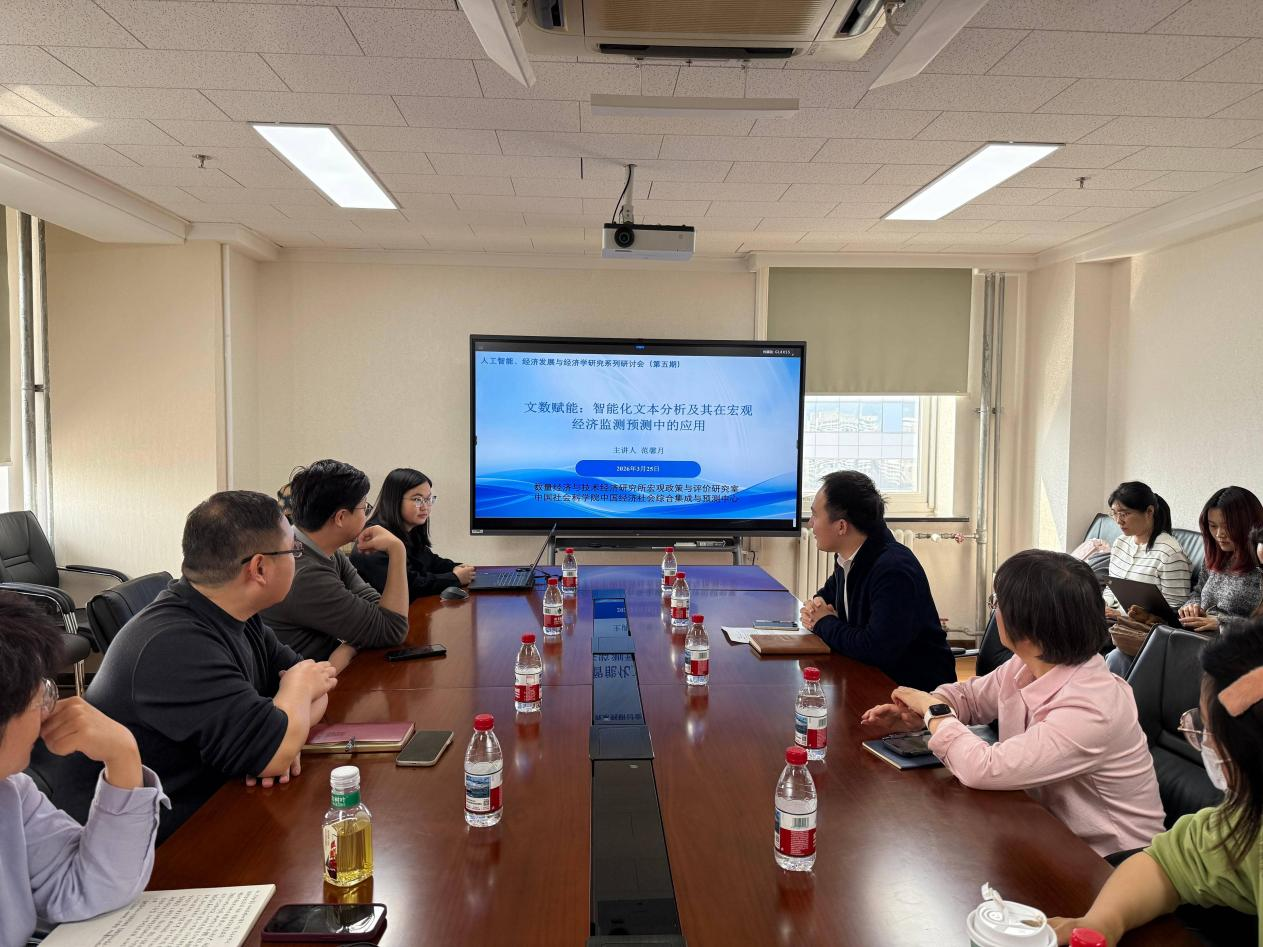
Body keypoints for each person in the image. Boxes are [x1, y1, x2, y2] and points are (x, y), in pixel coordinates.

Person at [861, 549, 1165, 858]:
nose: (995, 612)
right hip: (1046, 831)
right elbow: (971, 698)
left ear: (1028, 628)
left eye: (997, 603)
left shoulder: (1093, 708)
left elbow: (984, 768)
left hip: (1113, 862)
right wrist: (923, 711)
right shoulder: (1029, 662)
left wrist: (935, 713)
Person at [83, 491, 338, 842]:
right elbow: (279, 742)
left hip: (216, 805)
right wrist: (292, 702)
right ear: (259, 568)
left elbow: (320, 685)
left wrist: (286, 732)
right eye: (293, 550)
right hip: (155, 845)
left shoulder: (236, 613)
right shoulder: (174, 645)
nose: (298, 557)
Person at [1049, 621, 1263, 944]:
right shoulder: (1246, 824)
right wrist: (1101, 922)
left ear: (1246, 748)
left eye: (1207, 730)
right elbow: (1167, 866)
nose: (1205, 742)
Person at [1, 593, 167, 947]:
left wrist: (122, 756)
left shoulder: (12, 792)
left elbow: (89, 887)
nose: (49, 710)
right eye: (40, 695)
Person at [799, 470, 955, 690]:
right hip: (871, 679)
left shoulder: (894, 570)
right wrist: (816, 608)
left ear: (841, 526)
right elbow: (825, 596)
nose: (810, 524)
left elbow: (875, 648)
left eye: (815, 516)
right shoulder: (850, 556)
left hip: (915, 694)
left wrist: (823, 622)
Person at [262, 460, 409, 669]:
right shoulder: (305, 573)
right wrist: (398, 551)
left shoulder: (321, 549)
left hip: (328, 672)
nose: (367, 515)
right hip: (308, 683)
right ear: (341, 517)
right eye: (364, 508)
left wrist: (349, 644)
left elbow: (375, 608)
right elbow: (392, 629)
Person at [1101, 481, 1192, 677]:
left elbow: (1173, 611)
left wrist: (1120, 615)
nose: (1118, 520)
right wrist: (1102, 604)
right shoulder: (1120, 543)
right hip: (1112, 620)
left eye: (1124, 514)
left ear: (1149, 512)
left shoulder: (1169, 553)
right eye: (1114, 513)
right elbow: (1111, 587)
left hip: (1143, 629)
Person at [350, 467, 475, 600]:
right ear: (395, 500)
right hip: (380, 611)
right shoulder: (375, 538)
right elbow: (410, 585)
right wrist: (455, 578)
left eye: (429, 499)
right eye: (417, 499)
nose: (425, 507)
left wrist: (462, 568)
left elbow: (431, 562)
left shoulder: (409, 530)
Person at [1178, 486, 1263, 635]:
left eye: (1227, 526)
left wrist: (1223, 623)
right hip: (1196, 635)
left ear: (1249, 525)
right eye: (1213, 526)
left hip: (1234, 643)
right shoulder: (1216, 555)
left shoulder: (1260, 563)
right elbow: (1198, 591)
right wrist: (1192, 606)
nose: (1219, 534)